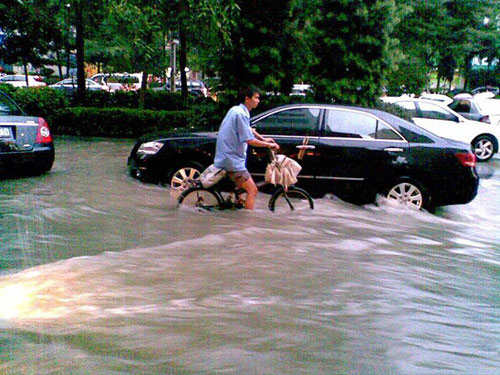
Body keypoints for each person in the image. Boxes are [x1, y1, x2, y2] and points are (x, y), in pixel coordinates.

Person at [214, 87, 279, 210]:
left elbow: (248, 129)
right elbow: (249, 140)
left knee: (242, 194)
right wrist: (268, 145)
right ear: (247, 99)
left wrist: (264, 139)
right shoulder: (241, 114)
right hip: (232, 161)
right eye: (256, 98)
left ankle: (237, 208)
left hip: (228, 157)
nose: (258, 101)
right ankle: (247, 223)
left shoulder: (237, 110)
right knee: (252, 190)